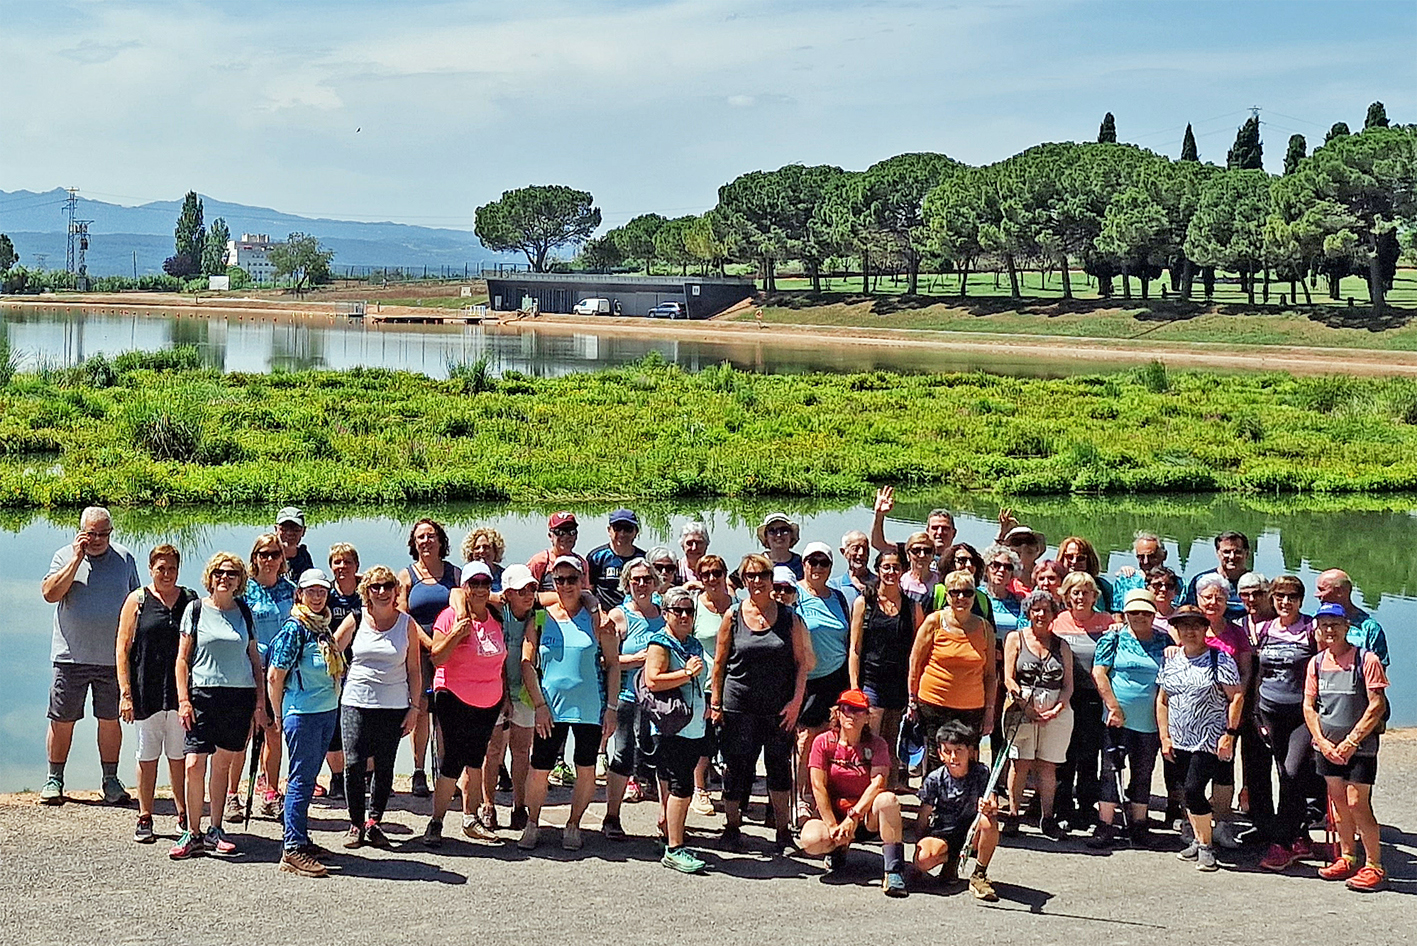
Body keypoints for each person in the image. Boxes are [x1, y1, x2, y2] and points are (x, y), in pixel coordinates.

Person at [711, 553, 812, 853]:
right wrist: (716, 703)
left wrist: (796, 704)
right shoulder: (732, 616)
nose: (757, 581)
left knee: (778, 769)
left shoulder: (789, 617)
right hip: (738, 705)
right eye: (751, 576)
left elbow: (802, 664)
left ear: (771, 579)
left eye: (763, 576)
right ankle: (732, 827)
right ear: (743, 581)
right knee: (736, 767)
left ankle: (782, 831)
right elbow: (719, 662)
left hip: (778, 709)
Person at [40, 505, 141, 806]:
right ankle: (54, 779)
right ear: (81, 531)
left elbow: (137, 602)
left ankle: (110, 780)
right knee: (62, 718)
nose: (97, 540)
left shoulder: (124, 559)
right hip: (71, 656)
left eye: (103, 534)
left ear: (111, 533)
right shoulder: (63, 556)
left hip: (112, 659)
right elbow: (49, 594)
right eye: (91, 534)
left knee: (110, 720)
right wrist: (76, 559)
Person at [518, 556, 620, 852]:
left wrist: (611, 709)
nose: (565, 586)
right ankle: (532, 823)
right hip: (550, 708)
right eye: (559, 580)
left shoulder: (598, 620)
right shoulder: (541, 617)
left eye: (572, 579)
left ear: (582, 581)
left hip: (588, 707)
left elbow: (612, 665)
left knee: (585, 768)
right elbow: (527, 662)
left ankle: (574, 824)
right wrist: (538, 704)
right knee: (540, 768)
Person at [170, 552, 264, 861]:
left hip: (238, 695)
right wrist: (183, 700)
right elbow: (182, 659)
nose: (225, 578)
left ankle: (215, 829)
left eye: (232, 574)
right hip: (202, 695)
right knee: (194, 763)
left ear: (240, 581)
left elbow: (254, 660)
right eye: (220, 573)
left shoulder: (245, 613)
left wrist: (259, 703)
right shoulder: (195, 610)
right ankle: (192, 832)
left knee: (222, 764)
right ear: (210, 577)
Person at [1303, 603, 1389, 892]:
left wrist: (1351, 741)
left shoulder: (1367, 660)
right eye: (1324, 624)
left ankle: (1374, 865)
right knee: (1338, 804)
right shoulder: (1315, 663)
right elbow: (1309, 705)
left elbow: (1377, 705)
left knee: (1357, 804)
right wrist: (1323, 742)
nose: (1329, 630)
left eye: (1335, 624)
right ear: (1317, 628)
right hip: (1327, 747)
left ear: (1346, 628)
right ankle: (1347, 856)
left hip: (1360, 748)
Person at [334, 564, 419, 850]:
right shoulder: (356, 618)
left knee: (384, 766)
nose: (381, 592)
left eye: (387, 586)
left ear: (396, 590)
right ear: (366, 592)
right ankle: (355, 823)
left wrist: (415, 707)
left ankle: (374, 822)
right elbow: (332, 650)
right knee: (354, 763)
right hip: (356, 700)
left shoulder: (406, 624)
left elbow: (415, 670)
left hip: (394, 704)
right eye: (375, 587)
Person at [116, 544, 197, 841]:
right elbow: (122, 649)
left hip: (180, 694)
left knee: (179, 757)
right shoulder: (137, 600)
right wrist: (125, 693)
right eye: (160, 568)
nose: (166, 574)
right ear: (151, 569)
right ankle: (145, 816)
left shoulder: (190, 601)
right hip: (145, 691)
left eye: (172, 568)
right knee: (146, 756)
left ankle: (183, 815)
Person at [424, 562, 507, 847]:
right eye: (475, 583)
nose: (481, 589)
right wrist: (456, 634)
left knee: (477, 760)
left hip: (490, 700)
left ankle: (470, 819)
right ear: (466, 587)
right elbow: (437, 658)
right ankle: (435, 823)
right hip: (453, 695)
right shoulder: (450, 617)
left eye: (486, 583)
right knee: (453, 761)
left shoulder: (496, 616)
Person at [267, 569, 344, 877]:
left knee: (309, 777)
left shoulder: (321, 627)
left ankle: (300, 837)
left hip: (325, 710)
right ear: (299, 594)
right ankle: (293, 848)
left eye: (321, 592)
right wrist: (277, 715)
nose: (316, 596)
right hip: (302, 713)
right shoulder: (295, 629)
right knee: (300, 779)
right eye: (310, 591)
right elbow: (275, 675)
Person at [1157, 604, 1244, 872]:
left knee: (1194, 789)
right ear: (1177, 630)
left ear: (1205, 629)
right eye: (1184, 626)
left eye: (1196, 625)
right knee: (1186, 791)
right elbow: (1163, 700)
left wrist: (1229, 734)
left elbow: (1237, 696)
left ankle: (1207, 847)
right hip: (1179, 738)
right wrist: (1164, 736)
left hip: (1209, 739)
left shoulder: (1220, 659)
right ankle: (1198, 838)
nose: (1190, 631)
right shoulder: (1171, 660)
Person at [798, 689, 907, 897]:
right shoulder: (823, 742)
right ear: (838, 713)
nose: (852, 715)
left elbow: (878, 783)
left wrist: (853, 817)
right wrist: (832, 825)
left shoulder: (877, 744)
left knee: (888, 800)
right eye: (847, 709)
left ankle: (893, 870)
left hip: (865, 817)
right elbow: (817, 785)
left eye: (859, 711)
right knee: (811, 840)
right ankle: (836, 849)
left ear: (867, 717)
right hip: (835, 814)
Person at [1090, 589, 1169, 848]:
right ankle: (1105, 825)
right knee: (1110, 771)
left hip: (1151, 720)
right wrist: (1113, 706)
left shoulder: (1164, 640)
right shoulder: (1113, 637)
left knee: (1144, 771)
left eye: (1145, 612)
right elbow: (1100, 673)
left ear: (1153, 613)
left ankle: (1139, 825)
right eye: (1134, 612)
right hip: (1116, 718)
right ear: (1125, 613)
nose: (1139, 616)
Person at [1253, 575, 1319, 871]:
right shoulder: (1264, 629)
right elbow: (1257, 675)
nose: (1285, 602)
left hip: (1301, 716)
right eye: (1279, 596)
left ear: (1301, 601)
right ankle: (1300, 836)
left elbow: (1324, 671)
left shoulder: (1310, 630)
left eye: (1291, 597)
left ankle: (1281, 844)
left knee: (1291, 774)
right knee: (1285, 775)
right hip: (1269, 712)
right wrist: (1256, 713)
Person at [644, 586, 711, 873]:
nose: (684, 615)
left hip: (694, 723)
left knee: (681, 781)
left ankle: (672, 835)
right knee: (681, 785)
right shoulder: (661, 643)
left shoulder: (693, 643)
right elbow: (652, 680)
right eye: (678, 610)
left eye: (689, 610)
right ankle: (674, 848)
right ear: (666, 613)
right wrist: (685, 673)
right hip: (672, 726)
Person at [1002, 589, 1074, 839]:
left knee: (1047, 766)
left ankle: (1048, 817)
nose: (1041, 614)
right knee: (1019, 763)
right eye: (1036, 609)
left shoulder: (1061, 645)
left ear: (1054, 613)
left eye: (1046, 609)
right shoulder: (1015, 638)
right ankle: (1013, 814)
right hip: (1022, 706)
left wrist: (1057, 708)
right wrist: (1025, 707)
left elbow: (1068, 685)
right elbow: (1009, 678)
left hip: (1055, 710)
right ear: (1028, 612)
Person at [399, 518, 460, 799]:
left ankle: (446, 772)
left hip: (451, 648)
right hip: (420, 648)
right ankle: (419, 771)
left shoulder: (455, 574)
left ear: (440, 541)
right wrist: (428, 643)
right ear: (414, 543)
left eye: (431, 536)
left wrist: (444, 644)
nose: (426, 541)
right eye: (420, 537)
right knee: (421, 708)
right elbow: (403, 615)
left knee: (448, 711)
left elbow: (462, 609)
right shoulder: (407, 576)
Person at [793, 542, 854, 822]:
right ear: (803, 563)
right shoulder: (795, 594)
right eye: (812, 561)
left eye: (823, 563)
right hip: (807, 679)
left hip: (836, 676)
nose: (817, 567)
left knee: (831, 738)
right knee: (805, 740)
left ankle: (821, 796)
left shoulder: (840, 598)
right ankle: (800, 797)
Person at [848, 549, 920, 789]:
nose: (891, 572)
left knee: (890, 746)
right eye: (886, 567)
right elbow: (855, 649)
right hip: (871, 683)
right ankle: (862, 795)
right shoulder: (864, 603)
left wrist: (913, 692)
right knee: (869, 742)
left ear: (903, 570)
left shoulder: (913, 607)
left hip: (899, 687)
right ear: (878, 570)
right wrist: (855, 688)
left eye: (896, 567)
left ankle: (885, 799)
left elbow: (917, 652)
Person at [603, 559, 664, 839]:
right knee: (622, 754)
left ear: (655, 582)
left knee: (663, 757)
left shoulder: (665, 614)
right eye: (636, 579)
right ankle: (611, 816)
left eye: (647, 579)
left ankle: (667, 821)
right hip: (628, 695)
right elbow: (606, 660)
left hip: (661, 698)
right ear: (627, 583)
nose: (641, 584)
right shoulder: (619, 615)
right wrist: (636, 660)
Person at [908, 570, 997, 761]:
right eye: (955, 592)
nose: (961, 598)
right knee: (937, 758)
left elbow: (990, 673)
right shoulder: (934, 622)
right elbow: (915, 663)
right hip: (934, 703)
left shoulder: (985, 628)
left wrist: (990, 711)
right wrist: (912, 699)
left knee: (968, 759)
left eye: (967, 593)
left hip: (972, 707)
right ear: (947, 595)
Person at [1194, 572, 1253, 848]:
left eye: (1219, 597)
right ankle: (1193, 824)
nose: (1213, 602)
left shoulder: (1236, 632)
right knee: (1191, 770)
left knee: (1223, 768)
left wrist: (1235, 711)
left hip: (1227, 710)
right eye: (1207, 597)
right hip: (1193, 712)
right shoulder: (1189, 627)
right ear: (1198, 599)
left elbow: (1245, 673)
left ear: (1227, 601)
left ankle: (1222, 824)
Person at [1050, 571, 1112, 832]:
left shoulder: (1107, 622)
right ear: (1066, 596)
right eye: (1075, 592)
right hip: (1065, 695)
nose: (1080, 597)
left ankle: (1087, 808)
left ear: (1094, 596)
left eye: (1086, 592)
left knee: (1090, 757)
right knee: (1064, 756)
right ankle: (1061, 808)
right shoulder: (1058, 622)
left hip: (1094, 698)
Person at [480, 563, 539, 833]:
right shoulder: (495, 612)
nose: (527, 594)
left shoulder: (537, 616)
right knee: (493, 751)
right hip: (495, 690)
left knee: (521, 751)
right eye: (520, 590)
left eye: (531, 588)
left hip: (524, 692)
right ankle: (488, 805)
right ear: (507, 593)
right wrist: (502, 693)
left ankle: (519, 806)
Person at [913, 720, 1000, 901]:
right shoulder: (934, 779)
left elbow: (993, 801)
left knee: (988, 820)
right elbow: (924, 815)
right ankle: (950, 862)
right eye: (947, 751)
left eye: (959, 750)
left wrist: (989, 807)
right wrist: (918, 849)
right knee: (923, 859)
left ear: (970, 751)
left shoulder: (982, 773)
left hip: (972, 832)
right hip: (942, 833)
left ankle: (979, 874)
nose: (953, 757)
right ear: (940, 754)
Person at [241, 532, 295, 819]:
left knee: (274, 731)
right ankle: (232, 795)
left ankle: (271, 790)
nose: (270, 560)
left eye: (275, 554)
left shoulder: (290, 590)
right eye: (264, 554)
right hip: (251, 668)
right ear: (255, 559)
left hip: (282, 670)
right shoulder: (244, 591)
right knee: (246, 731)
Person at [691, 554, 733, 815]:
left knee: (729, 742)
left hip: (733, 684)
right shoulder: (694, 607)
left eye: (716, 573)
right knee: (702, 741)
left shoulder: (737, 606)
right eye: (705, 574)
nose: (711, 579)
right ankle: (700, 790)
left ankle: (733, 793)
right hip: (701, 684)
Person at [322, 543, 362, 802]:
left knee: (363, 724)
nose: (342, 567)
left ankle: (364, 775)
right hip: (333, 669)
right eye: (337, 562)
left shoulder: (366, 592)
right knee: (332, 724)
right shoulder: (326, 595)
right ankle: (337, 778)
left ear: (356, 566)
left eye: (347, 562)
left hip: (362, 666)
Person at [1314, 569, 1389, 667]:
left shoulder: (1370, 629)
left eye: (1322, 590)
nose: (1318, 596)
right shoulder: (1314, 622)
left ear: (1340, 591)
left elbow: (1380, 670)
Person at [870, 486, 957, 568]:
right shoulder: (913, 551)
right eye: (934, 528)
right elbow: (878, 544)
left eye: (945, 528)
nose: (939, 532)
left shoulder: (961, 558)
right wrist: (879, 515)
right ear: (927, 531)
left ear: (954, 533)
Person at [1182, 531, 1251, 620]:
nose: (1232, 556)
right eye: (1226, 552)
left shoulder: (1256, 585)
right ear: (1217, 553)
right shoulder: (1201, 580)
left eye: (1237, 552)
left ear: (1247, 553)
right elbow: (1189, 611)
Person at [587, 509, 645, 611]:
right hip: (604, 613)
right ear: (609, 530)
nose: (622, 534)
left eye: (628, 529)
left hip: (636, 612)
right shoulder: (596, 557)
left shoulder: (643, 559)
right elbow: (589, 589)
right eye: (617, 528)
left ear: (636, 532)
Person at [527, 511, 591, 590]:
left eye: (571, 532)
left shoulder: (581, 562)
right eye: (560, 532)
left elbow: (585, 591)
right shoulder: (539, 562)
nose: (566, 537)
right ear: (550, 536)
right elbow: (528, 594)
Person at [1057, 536, 1116, 614]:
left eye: (1080, 558)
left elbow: (1116, 612)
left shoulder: (1103, 586)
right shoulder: (1053, 583)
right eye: (1069, 557)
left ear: (1089, 561)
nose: (1074, 561)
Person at [1110, 532, 1168, 602]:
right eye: (1141, 557)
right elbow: (1116, 611)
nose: (1146, 562)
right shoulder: (1125, 582)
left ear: (1164, 555)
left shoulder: (1179, 585)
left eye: (1151, 557)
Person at [980, 545, 1024, 638]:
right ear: (986, 569)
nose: (1002, 570)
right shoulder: (976, 596)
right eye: (996, 565)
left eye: (1008, 567)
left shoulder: (1019, 603)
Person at [828, 530, 875, 608]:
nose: (861, 553)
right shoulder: (833, 587)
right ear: (843, 552)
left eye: (865, 548)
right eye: (855, 549)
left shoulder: (879, 584)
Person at [756, 512, 803, 579]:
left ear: (791, 535)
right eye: (772, 531)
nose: (779, 535)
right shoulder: (757, 563)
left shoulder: (801, 563)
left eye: (784, 530)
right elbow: (736, 582)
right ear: (766, 536)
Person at [275, 507, 315, 583]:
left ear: (303, 531)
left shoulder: (304, 557)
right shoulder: (266, 554)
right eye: (284, 528)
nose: (289, 533)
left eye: (295, 529)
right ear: (276, 529)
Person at [900, 531, 939, 608]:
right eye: (916, 550)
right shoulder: (900, 582)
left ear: (933, 555)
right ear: (908, 554)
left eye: (927, 551)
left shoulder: (941, 582)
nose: (922, 555)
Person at [461, 527, 506, 591]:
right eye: (477, 548)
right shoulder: (464, 574)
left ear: (495, 550)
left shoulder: (504, 575)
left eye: (486, 547)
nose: (481, 551)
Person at [676, 521, 711, 585]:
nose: (694, 548)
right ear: (682, 546)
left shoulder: (715, 570)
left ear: (706, 545)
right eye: (689, 543)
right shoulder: (673, 569)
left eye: (699, 543)